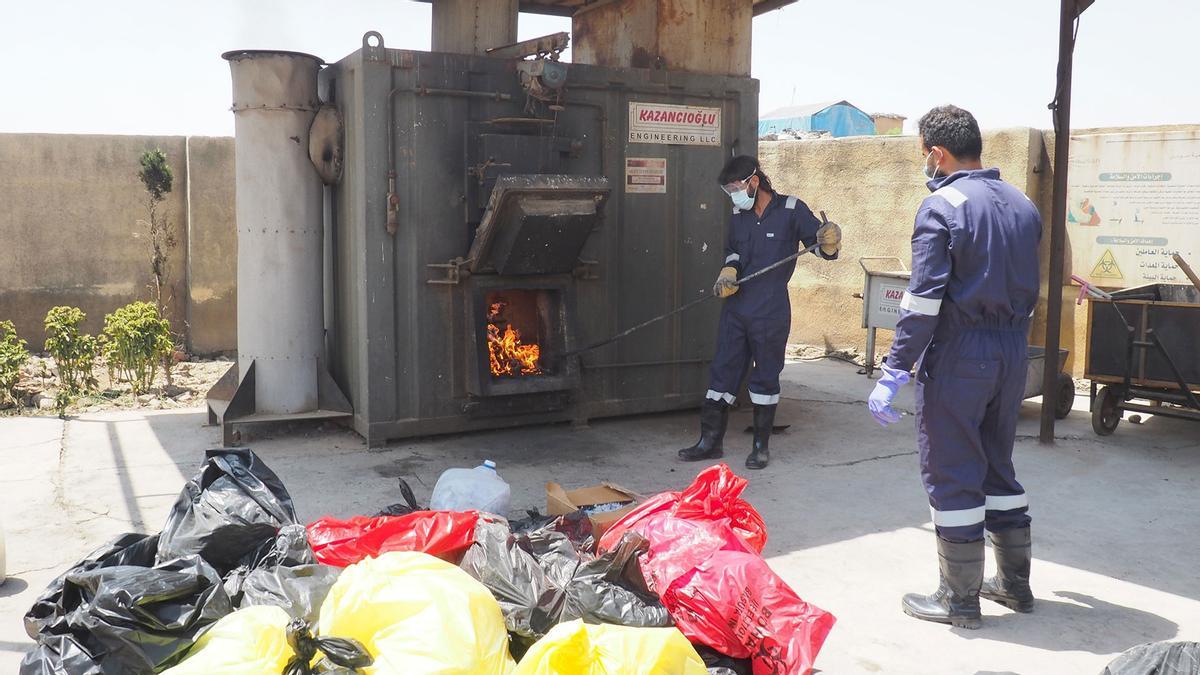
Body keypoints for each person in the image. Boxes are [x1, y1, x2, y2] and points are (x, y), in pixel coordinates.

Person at [867, 105, 1042, 628]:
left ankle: (958, 598)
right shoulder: (1023, 204)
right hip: (1013, 352)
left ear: (937, 153)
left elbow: (922, 301)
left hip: (963, 354)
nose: (926, 162)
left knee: (952, 470)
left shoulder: (941, 206)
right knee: (996, 463)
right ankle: (1014, 584)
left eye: (925, 152)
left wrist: (895, 369)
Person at [678, 155, 841, 469]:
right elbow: (734, 251)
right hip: (737, 308)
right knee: (723, 371)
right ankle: (709, 442)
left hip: (770, 309)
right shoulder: (739, 215)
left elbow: (819, 246)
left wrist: (830, 242)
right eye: (728, 191)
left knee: (766, 375)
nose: (732, 195)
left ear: (754, 181)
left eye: (735, 188)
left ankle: (759, 447)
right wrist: (728, 272)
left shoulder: (792, 209)